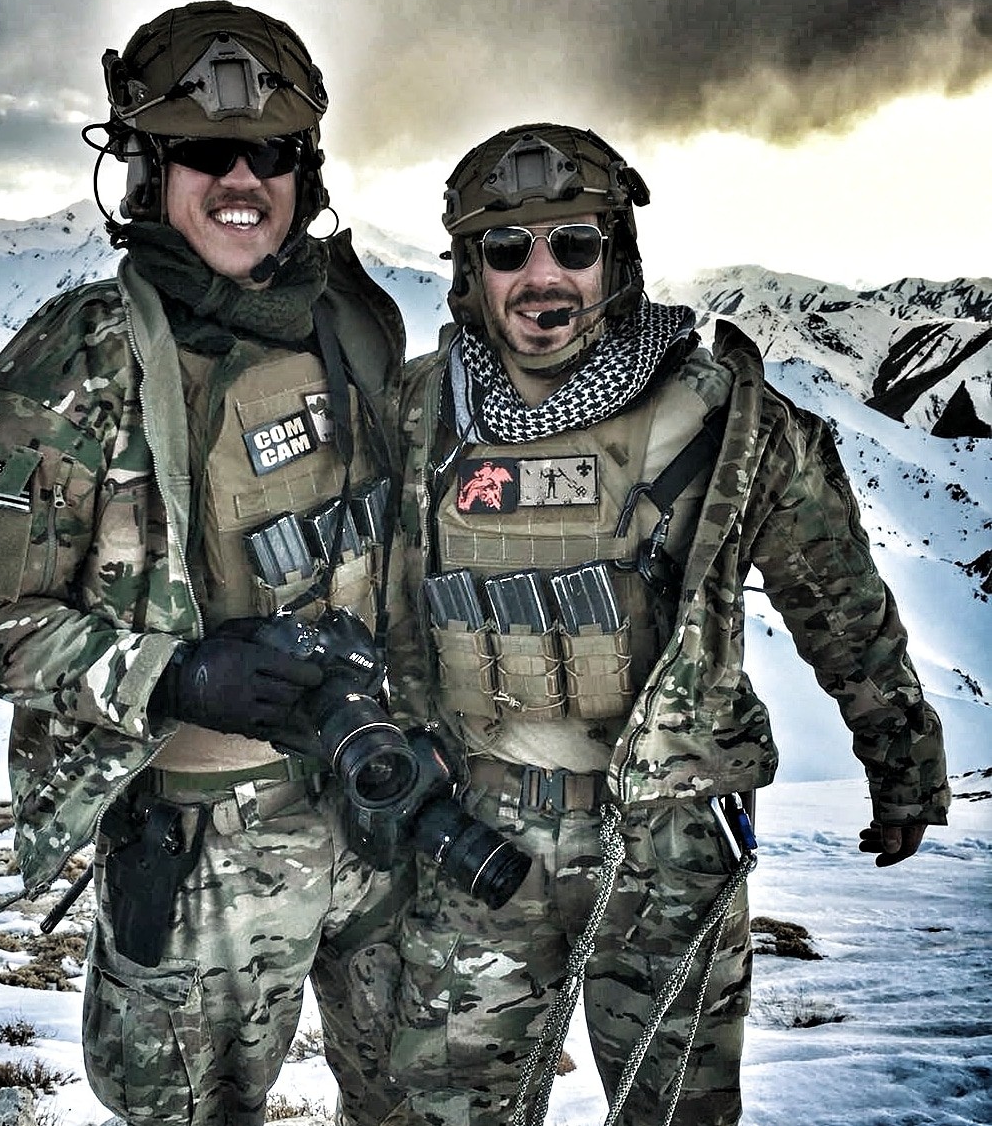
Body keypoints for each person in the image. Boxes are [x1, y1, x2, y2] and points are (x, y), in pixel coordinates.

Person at [384, 123, 950, 1126]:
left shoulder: (723, 418)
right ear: (469, 271)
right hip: (472, 833)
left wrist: (899, 752)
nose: (541, 275)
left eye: (573, 243)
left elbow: (835, 596)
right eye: (506, 249)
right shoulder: (417, 414)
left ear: (619, 254)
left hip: (668, 841)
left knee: (677, 1109)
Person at [0, 2, 408, 1126]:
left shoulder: (353, 324)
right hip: (201, 838)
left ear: (308, 170)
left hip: (377, 804)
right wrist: (172, 676)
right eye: (202, 151)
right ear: (145, 168)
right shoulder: (71, 362)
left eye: (273, 154)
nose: (241, 179)